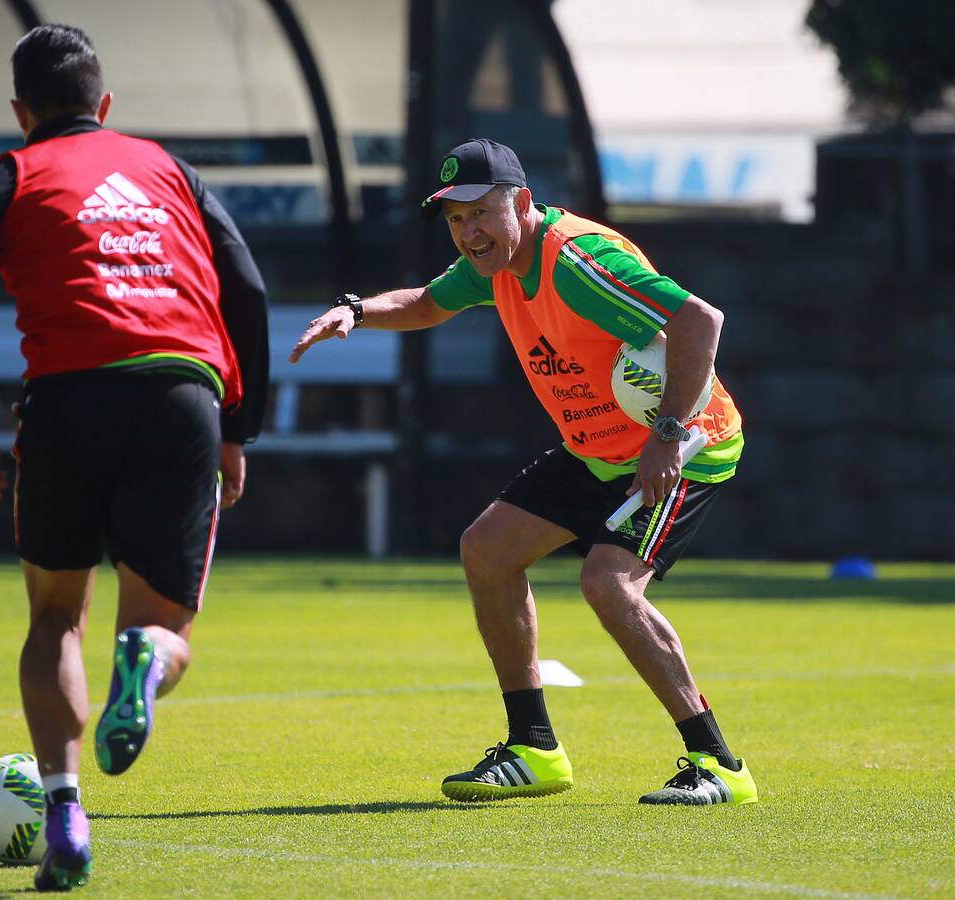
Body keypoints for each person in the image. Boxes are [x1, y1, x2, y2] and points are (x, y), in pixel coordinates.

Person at [290, 139, 756, 807]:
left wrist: (666, 436)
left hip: (685, 447)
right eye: (456, 219)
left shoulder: (578, 263)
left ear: (523, 202)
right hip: (597, 448)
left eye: (481, 213)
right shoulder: (491, 265)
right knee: (487, 551)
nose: (469, 231)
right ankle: (534, 749)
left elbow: (698, 322)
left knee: (608, 585)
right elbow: (426, 303)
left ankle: (720, 764)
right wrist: (357, 311)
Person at [0, 24, 268, 890]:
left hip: (68, 404)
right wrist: (237, 426)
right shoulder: (167, 170)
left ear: (20, 110)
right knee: (159, 629)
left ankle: (65, 816)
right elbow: (248, 286)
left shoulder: (8, 176)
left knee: (53, 621)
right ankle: (143, 664)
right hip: (180, 398)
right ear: (104, 105)